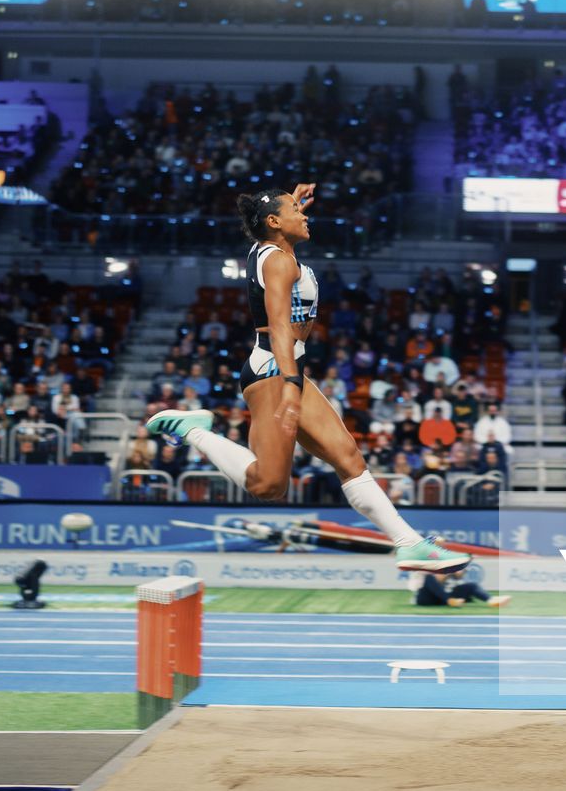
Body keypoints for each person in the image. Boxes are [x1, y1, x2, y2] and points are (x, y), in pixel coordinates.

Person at [146, 186, 464, 574]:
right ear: (274, 223)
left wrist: (290, 201)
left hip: (286, 366)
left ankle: (410, 545)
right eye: (297, 210)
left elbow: (272, 221)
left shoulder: (276, 250)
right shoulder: (278, 261)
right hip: (273, 372)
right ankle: (194, 430)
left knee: (348, 458)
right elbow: (280, 326)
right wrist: (292, 388)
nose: (306, 215)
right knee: (268, 486)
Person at [411, 570, 511, 608]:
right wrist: (450, 571)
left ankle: (491, 600)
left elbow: (459, 576)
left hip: (443, 596)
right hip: (426, 598)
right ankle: (450, 601)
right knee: (429, 578)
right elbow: (437, 579)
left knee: (471, 586)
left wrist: (457, 571)